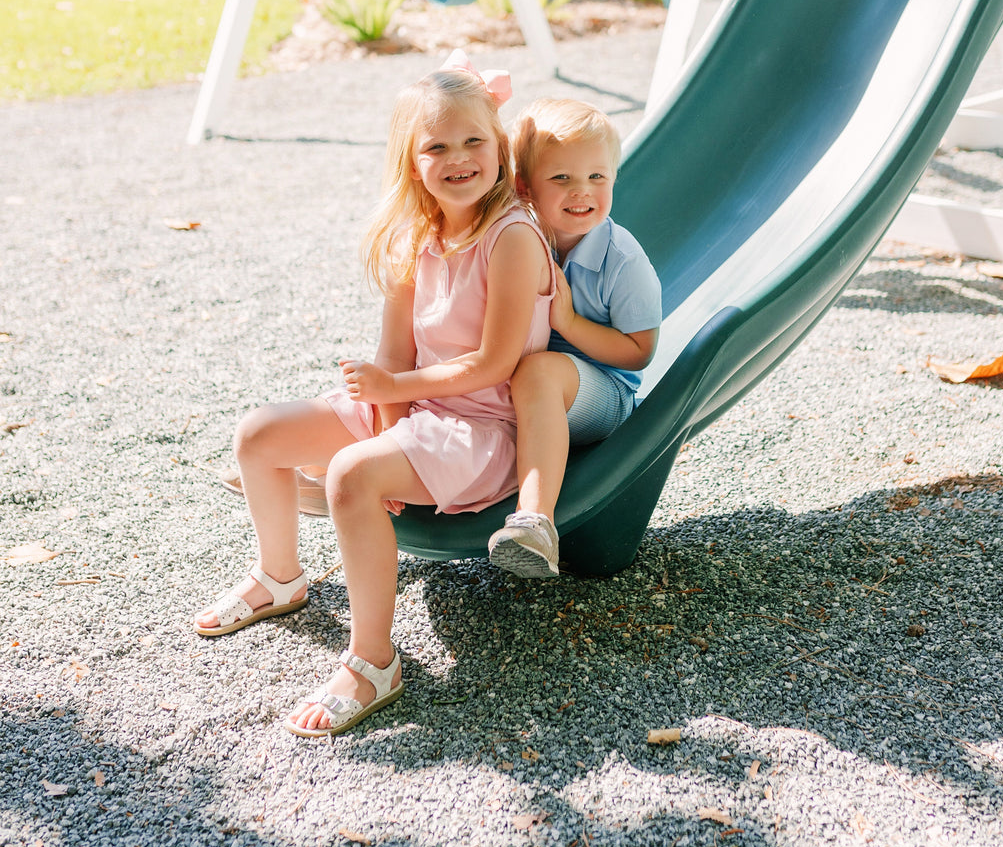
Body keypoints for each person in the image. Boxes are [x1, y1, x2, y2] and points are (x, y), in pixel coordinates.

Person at [194, 53, 554, 736]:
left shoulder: (511, 237)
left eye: (474, 141)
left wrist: (391, 421)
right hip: (416, 406)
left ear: (499, 147)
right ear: (411, 161)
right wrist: (390, 421)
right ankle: (280, 577)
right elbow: (392, 357)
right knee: (258, 435)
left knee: (352, 475)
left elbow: (494, 362)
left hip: (479, 430)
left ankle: (373, 661)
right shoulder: (416, 239)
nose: (459, 158)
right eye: (437, 147)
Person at [487, 99, 662, 579]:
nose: (582, 191)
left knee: (538, 372)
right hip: (528, 387)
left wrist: (568, 323)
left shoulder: (622, 260)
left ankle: (535, 522)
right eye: (561, 178)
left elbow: (639, 352)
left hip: (604, 393)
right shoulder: (519, 237)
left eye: (597, 177)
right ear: (525, 187)